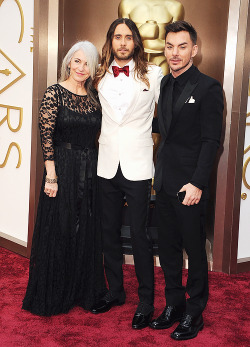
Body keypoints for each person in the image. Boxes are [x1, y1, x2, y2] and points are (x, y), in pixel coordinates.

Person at [150, 21, 223, 340]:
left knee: (195, 251)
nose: (175, 53)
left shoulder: (208, 87)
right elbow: (163, 128)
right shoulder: (164, 83)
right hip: (164, 181)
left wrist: (197, 183)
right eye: (170, 46)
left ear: (195, 49)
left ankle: (195, 313)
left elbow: (211, 141)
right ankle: (174, 305)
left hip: (190, 186)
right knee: (167, 249)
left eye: (182, 46)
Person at [22, 41, 107, 316]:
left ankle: (81, 291)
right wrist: (51, 176)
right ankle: (55, 293)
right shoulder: (54, 93)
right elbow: (46, 137)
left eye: (88, 63)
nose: (82, 68)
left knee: (85, 230)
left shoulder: (94, 96)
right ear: (68, 62)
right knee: (60, 229)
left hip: (90, 169)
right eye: (77, 61)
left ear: (93, 68)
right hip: (62, 168)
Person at [90, 18, 163, 330]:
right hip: (105, 164)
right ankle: (116, 291)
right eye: (117, 37)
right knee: (108, 233)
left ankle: (146, 301)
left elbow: (170, 115)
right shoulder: (97, 76)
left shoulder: (155, 74)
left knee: (139, 234)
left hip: (138, 164)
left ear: (136, 42)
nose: (122, 43)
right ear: (111, 41)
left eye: (128, 37)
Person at [118, 0, 184, 75]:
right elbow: (122, 38)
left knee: (163, 84)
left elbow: (176, 42)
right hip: (135, 60)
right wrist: (141, 33)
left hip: (162, 60)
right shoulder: (126, 4)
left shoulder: (175, 7)